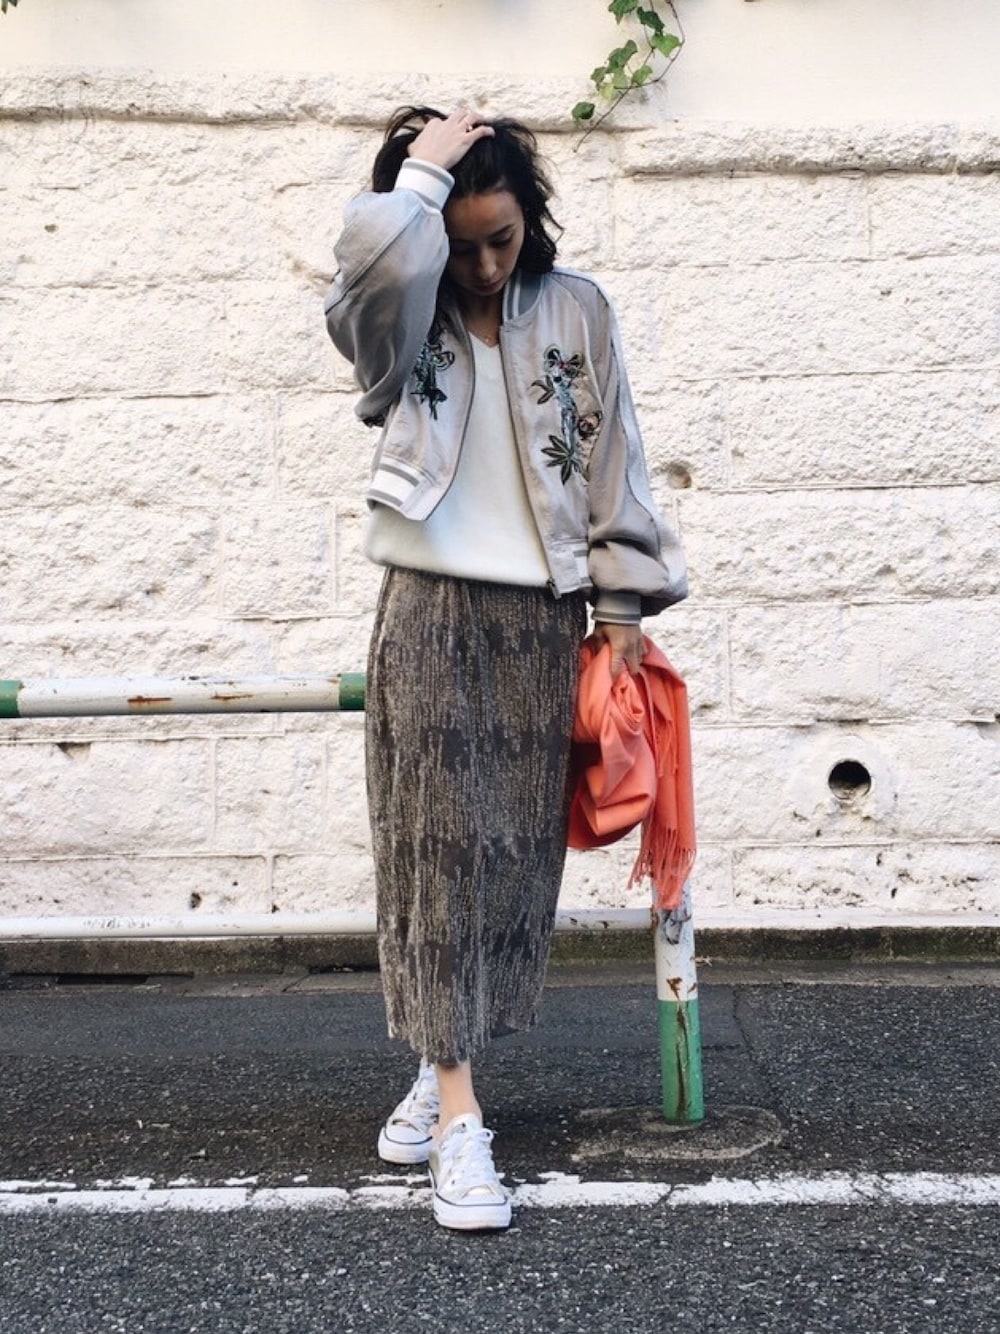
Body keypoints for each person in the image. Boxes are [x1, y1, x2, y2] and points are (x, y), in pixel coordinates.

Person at [324, 106, 687, 1231]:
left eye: (504, 238)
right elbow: (369, 274)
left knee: (508, 865)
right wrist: (420, 180)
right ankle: (460, 1113)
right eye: (462, 241)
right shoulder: (403, 311)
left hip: (543, 619)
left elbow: (615, 453)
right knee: (434, 853)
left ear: (533, 218)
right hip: (429, 609)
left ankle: (436, 1066)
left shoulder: (576, 309)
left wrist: (620, 604)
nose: (484, 265)